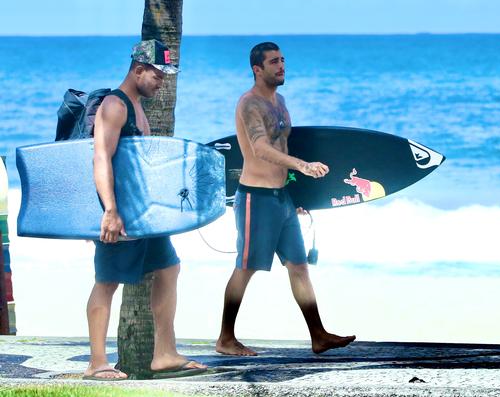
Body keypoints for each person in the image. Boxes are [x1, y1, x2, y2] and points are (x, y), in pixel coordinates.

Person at [216, 42, 356, 356]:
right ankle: (225, 338)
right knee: (246, 267)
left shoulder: (280, 101)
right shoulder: (249, 104)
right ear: (257, 69)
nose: (281, 66)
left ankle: (318, 335)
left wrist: (300, 189)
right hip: (257, 199)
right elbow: (260, 149)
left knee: (299, 266)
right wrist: (303, 166)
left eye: (283, 60)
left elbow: (284, 148)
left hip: (282, 198)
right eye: (274, 62)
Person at [84, 39, 207, 380]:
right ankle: (96, 363)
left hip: (144, 216)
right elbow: (100, 157)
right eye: (157, 74)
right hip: (120, 215)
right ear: (138, 69)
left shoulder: (137, 106)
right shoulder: (115, 104)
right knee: (107, 282)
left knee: (169, 268)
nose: (161, 81)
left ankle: (164, 354)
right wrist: (109, 210)